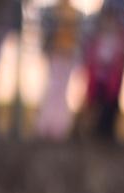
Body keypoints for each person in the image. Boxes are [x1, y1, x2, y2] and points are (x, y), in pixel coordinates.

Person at [81, 0, 124, 142]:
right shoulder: (107, 12)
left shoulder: (123, 11)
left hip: (114, 72)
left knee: (111, 101)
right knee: (95, 101)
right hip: (99, 75)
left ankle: (107, 132)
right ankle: (93, 131)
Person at [35, 0, 84, 141]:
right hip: (57, 54)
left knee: (60, 91)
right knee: (54, 89)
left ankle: (58, 127)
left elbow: (79, 37)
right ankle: (47, 125)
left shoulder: (76, 14)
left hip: (67, 55)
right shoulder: (52, 12)